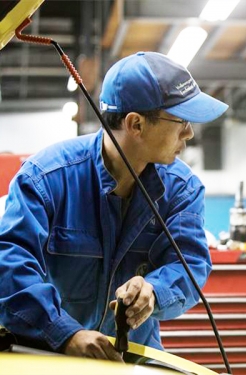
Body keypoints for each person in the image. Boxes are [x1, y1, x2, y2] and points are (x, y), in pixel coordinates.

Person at [0, 51, 228, 361]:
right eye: (181, 120)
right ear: (136, 124)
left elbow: (190, 264)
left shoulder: (181, 189)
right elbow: (11, 264)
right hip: (49, 352)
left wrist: (154, 290)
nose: (189, 132)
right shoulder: (46, 177)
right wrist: (65, 333)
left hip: (130, 357)